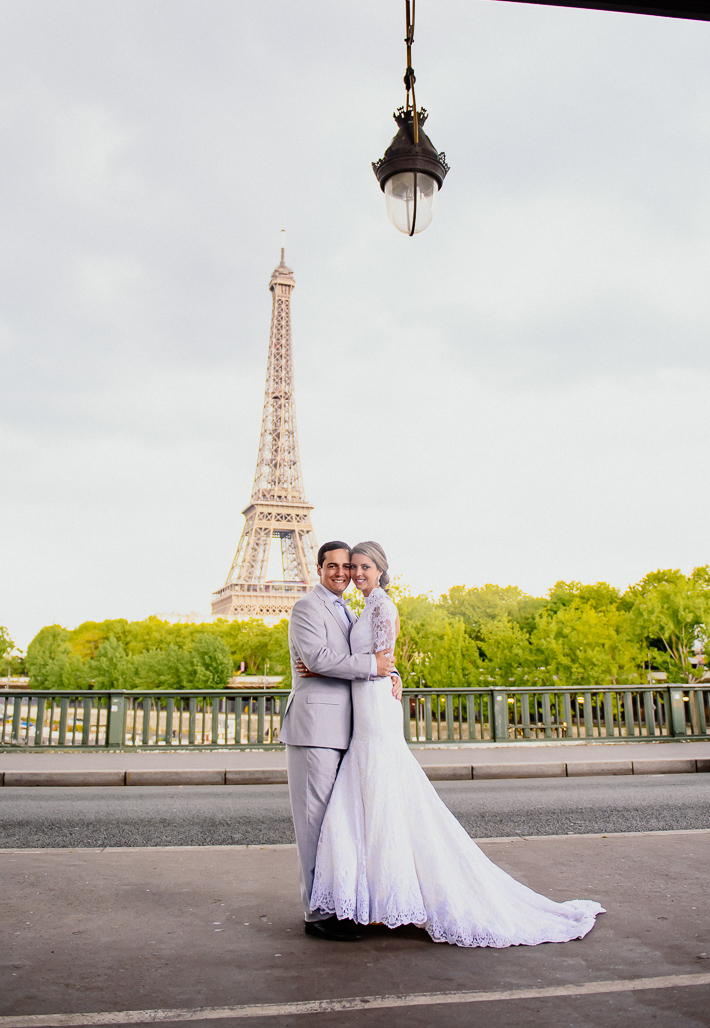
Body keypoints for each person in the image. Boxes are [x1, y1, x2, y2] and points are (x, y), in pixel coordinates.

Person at [308, 541, 605, 947]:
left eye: (364, 567)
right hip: (368, 703)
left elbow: (380, 660)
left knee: (380, 793)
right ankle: (382, 899)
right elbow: (380, 662)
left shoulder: (382, 606)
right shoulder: (366, 606)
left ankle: (387, 899)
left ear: (380, 570)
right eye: (352, 567)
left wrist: (366, 672)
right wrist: (388, 673)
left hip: (374, 707)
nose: (356, 573)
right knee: (376, 795)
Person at [279, 540, 402, 942]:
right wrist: (371, 666)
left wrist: (391, 674)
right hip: (315, 728)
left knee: (337, 823)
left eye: (346, 566)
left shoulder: (350, 609)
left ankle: (339, 902)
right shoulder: (307, 607)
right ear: (318, 568)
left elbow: (371, 655)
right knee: (314, 822)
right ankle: (318, 914)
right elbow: (318, 659)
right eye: (332, 566)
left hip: (349, 725)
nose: (341, 573)